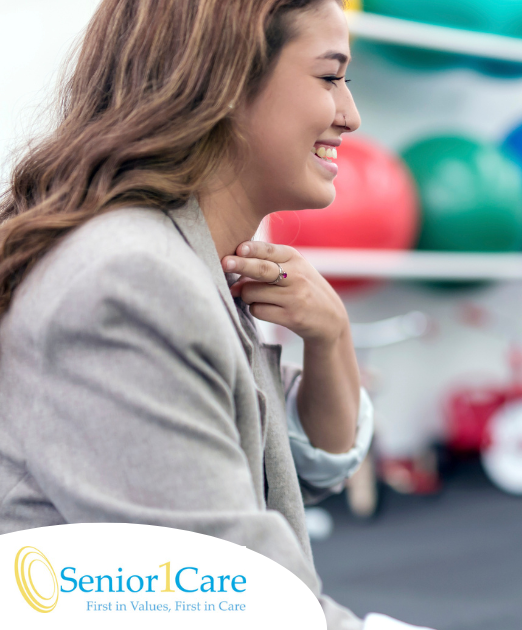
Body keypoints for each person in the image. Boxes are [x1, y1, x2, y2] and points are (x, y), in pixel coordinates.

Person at [0, 1, 421, 628]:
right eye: (330, 78)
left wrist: (331, 335)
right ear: (224, 82)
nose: (350, 115)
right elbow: (239, 605)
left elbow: (302, 468)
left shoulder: (191, 264)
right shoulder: (134, 282)